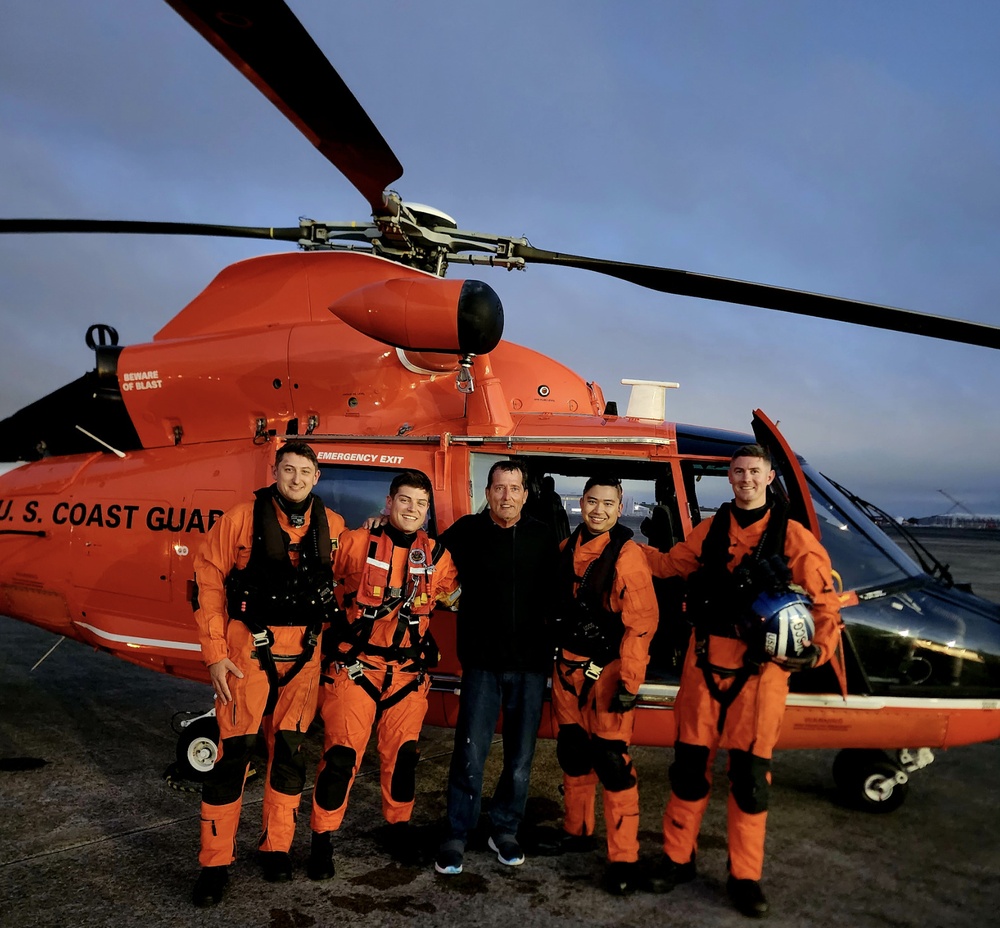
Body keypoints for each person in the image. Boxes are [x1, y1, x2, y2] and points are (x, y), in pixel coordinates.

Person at [643, 444, 844, 918]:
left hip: (760, 676)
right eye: (738, 472)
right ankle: (677, 858)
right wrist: (620, 547)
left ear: (770, 477)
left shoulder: (793, 538)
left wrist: (818, 650)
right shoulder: (710, 530)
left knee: (750, 781)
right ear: (729, 478)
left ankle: (745, 876)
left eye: (754, 471)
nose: (746, 479)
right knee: (689, 770)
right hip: (704, 665)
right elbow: (671, 564)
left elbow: (824, 602)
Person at [191, 441, 345, 907]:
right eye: (288, 470)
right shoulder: (239, 518)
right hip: (246, 651)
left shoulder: (334, 526)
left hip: (304, 653)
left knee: (291, 754)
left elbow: (357, 566)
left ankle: (276, 846)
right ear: (275, 471)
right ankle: (214, 863)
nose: (296, 479)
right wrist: (215, 654)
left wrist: (381, 526)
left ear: (317, 477)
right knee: (233, 755)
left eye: (305, 472)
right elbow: (208, 580)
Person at [307, 471, 459, 878]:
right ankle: (321, 838)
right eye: (405, 500)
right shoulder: (358, 544)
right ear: (389, 502)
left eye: (420, 504)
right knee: (340, 758)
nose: (412, 510)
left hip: (408, 676)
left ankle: (398, 826)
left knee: (404, 758)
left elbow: (453, 593)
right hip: (357, 669)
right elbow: (318, 572)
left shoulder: (439, 557)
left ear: (428, 511)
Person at [434, 460, 559, 876]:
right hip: (482, 665)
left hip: (530, 666)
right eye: (499, 488)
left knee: (520, 758)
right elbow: (421, 553)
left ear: (525, 494)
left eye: (514, 488)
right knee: (470, 753)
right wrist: (380, 526)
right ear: (487, 493)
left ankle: (504, 830)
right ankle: (457, 833)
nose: (507, 496)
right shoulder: (466, 532)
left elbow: (565, 591)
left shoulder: (543, 536)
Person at [547, 476, 659, 895]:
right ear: (581, 503)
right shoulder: (565, 550)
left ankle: (623, 858)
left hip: (608, 670)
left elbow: (642, 623)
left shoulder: (628, 557)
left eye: (607, 504)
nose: (598, 510)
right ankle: (576, 831)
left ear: (619, 506)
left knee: (612, 761)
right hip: (567, 667)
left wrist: (630, 680)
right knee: (573, 751)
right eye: (591, 502)